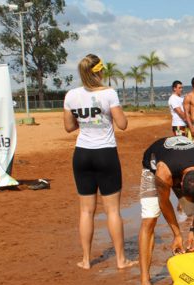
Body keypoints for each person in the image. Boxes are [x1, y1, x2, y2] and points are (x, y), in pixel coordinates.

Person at [63, 54, 136, 270]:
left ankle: (86, 260)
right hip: (105, 154)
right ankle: (121, 260)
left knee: (86, 211)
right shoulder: (109, 93)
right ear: (99, 71)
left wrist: (85, 121)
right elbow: (122, 124)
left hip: (82, 154)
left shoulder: (71, 95)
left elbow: (69, 127)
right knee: (112, 210)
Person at [138, 135, 194, 285]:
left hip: (183, 166)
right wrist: (177, 235)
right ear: (180, 185)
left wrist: (193, 230)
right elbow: (164, 202)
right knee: (150, 219)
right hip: (154, 168)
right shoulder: (163, 174)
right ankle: (145, 279)